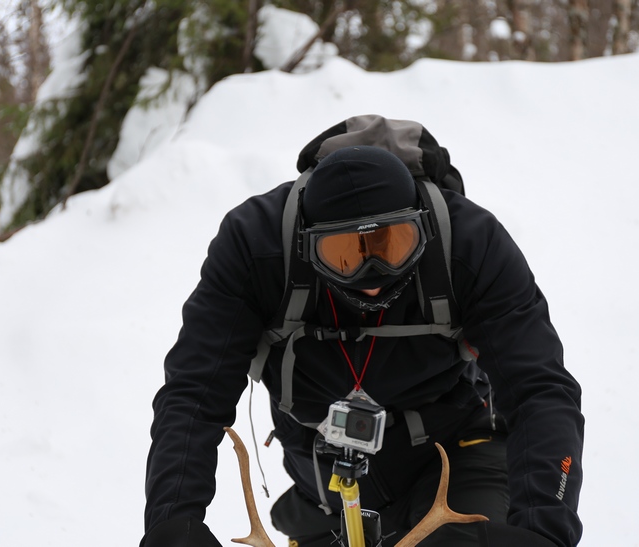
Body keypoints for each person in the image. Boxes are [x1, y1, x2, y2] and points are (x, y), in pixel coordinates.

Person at [141, 118, 584, 547]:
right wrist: (172, 519)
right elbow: (194, 392)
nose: (373, 276)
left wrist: (543, 527)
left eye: (394, 244)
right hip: (322, 477)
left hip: (454, 454)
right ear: (306, 245)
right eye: (343, 254)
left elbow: (539, 388)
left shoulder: (470, 243)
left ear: (423, 228)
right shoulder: (255, 248)